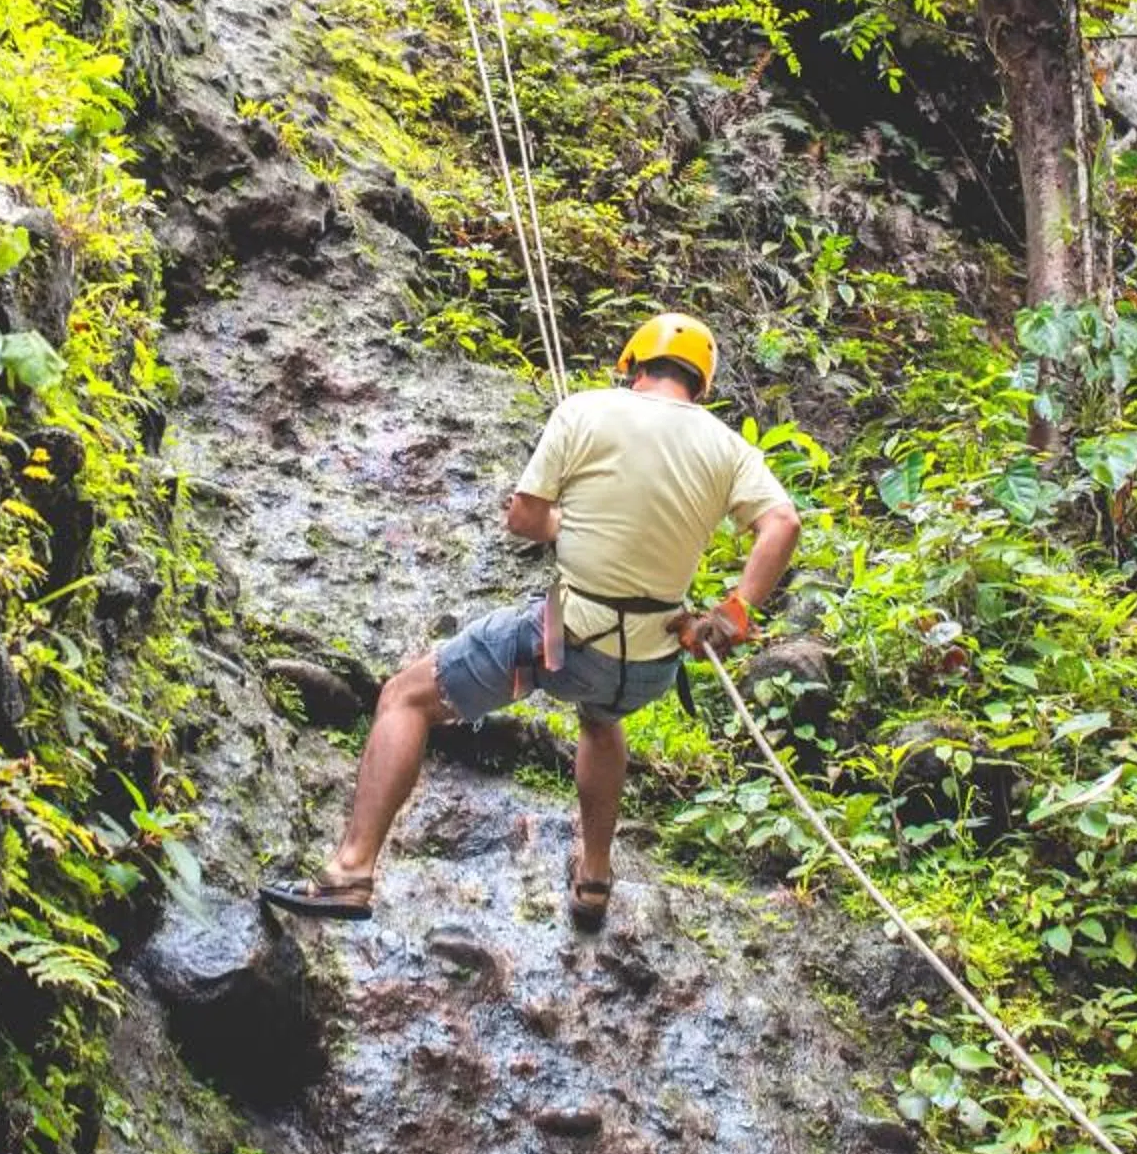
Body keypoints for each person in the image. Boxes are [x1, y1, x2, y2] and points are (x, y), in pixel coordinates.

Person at [260, 313, 801, 930]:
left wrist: (560, 527)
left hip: (564, 648)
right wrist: (733, 613)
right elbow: (782, 523)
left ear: (633, 364)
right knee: (602, 721)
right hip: (648, 667)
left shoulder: (586, 410)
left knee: (405, 698)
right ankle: (594, 878)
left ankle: (350, 872)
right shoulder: (727, 445)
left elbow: (524, 518)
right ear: (699, 384)